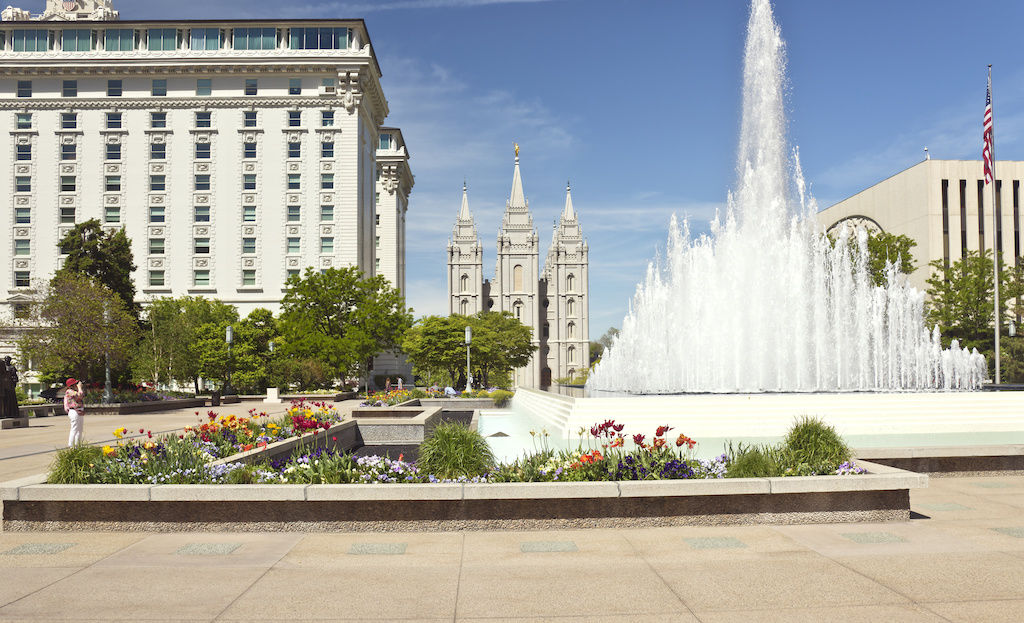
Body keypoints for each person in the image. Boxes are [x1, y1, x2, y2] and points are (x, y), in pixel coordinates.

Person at [63, 378, 85, 446]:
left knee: (80, 430)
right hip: (74, 411)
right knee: (74, 429)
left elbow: (81, 396)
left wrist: (79, 388)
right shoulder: (69, 391)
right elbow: (79, 395)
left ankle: (78, 445)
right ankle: (71, 446)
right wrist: (79, 387)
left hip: (79, 411)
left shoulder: (75, 391)